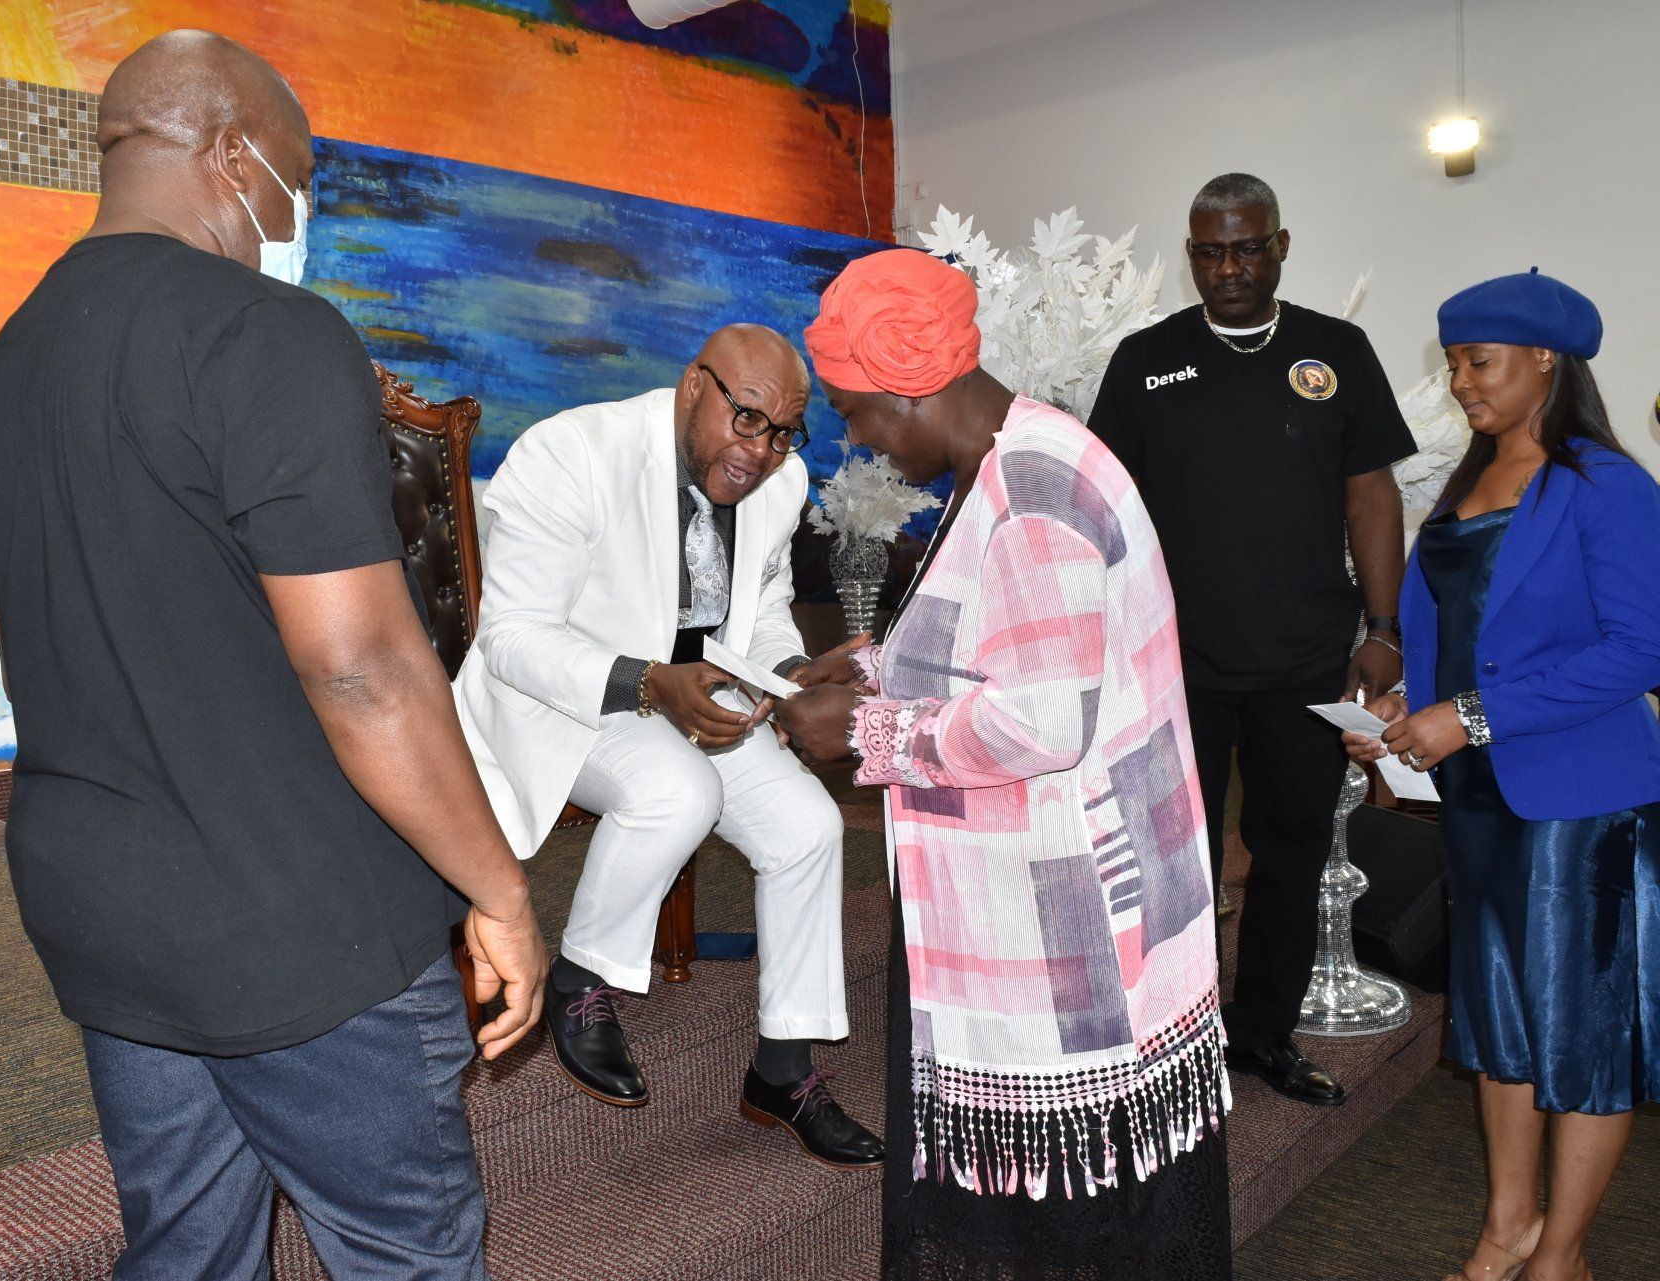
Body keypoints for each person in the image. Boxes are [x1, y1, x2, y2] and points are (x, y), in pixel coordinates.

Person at [0, 31, 546, 1279]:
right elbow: (361, 669)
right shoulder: (270, 334)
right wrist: (498, 889)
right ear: (232, 157)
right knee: (406, 1250)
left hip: (103, 905)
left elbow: (39, 647)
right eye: (297, 178)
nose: (295, 212)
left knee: (185, 1250)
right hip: (300, 920)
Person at [778, 249, 1232, 1280]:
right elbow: (1013, 640)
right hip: (1078, 890)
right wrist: (877, 665)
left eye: (855, 413)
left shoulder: (1030, 492)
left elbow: (1038, 721)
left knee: (1058, 1234)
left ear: (907, 383)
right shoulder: (1022, 452)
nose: (861, 439)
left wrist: (867, 732)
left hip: (1067, 923)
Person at [452, 324, 884, 1168]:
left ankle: (782, 1068)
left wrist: (791, 673)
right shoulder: (574, 452)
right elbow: (511, 638)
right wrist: (649, 681)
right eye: (746, 418)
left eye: (784, 432)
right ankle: (581, 978)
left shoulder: (780, 480)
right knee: (681, 788)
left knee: (810, 827)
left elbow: (762, 612)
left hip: (692, 696)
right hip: (565, 698)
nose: (760, 450)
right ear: (694, 385)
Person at [1345, 270, 1660, 1281]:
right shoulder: (1464, 486)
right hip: (1480, 799)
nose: (1461, 384)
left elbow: (1641, 650)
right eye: (1453, 366)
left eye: (1478, 362)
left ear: (1545, 360)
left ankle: (1561, 1254)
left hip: (1581, 805)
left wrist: (1472, 715)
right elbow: (1453, 642)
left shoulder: (1606, 486)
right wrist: (1403, 710)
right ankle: (1507, 1228)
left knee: (1582, 1036)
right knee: (1499, 1024)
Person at [1086, 172, 1416, 1105]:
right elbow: (1104, 510)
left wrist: (1384, 628)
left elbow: (1371, 495)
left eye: (1245, 248)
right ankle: (1171, 1037)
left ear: (1279, 246)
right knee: (1168, 858)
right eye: (1209, 251)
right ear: (1191, 255)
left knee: (1292, 850)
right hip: (1172, 662)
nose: (1227, 268)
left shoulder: (1335, 350)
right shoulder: (1145, 360)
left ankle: (1263, 1035)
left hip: (1304, 659)